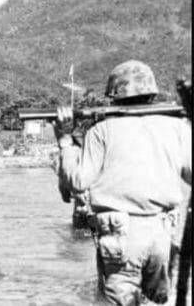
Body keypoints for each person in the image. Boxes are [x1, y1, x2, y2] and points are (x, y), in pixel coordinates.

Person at [53, 60, 191, 306]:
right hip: (162, 232)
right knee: (156, 302)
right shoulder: (178, 128)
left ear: (113, 96)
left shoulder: (101, 131)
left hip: (120, 232)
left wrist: (65, 140)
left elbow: (78, 181)